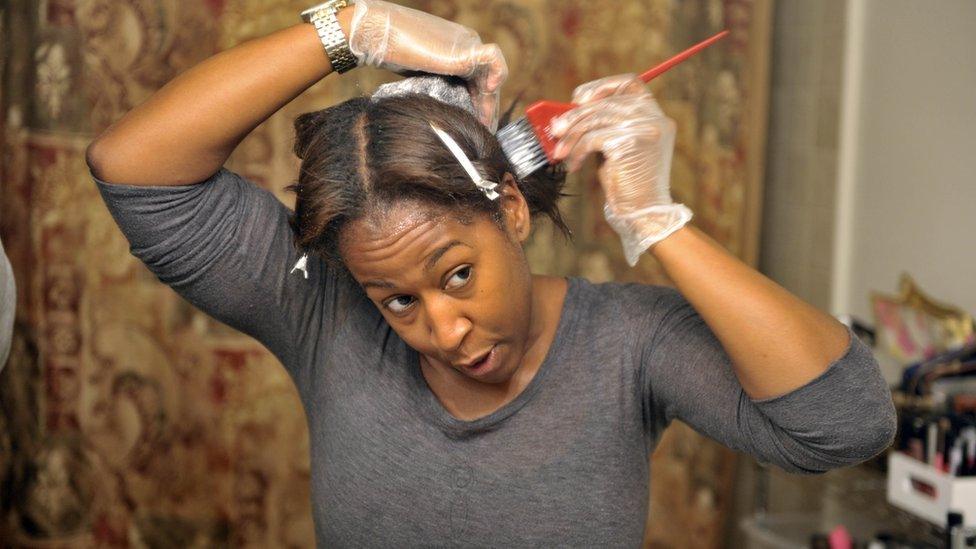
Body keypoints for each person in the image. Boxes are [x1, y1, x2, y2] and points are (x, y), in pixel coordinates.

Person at [85, 0, 896, 545]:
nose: (441, 329)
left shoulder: (629, 343)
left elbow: (847, 422)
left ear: (510, 208)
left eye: (458, 274)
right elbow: (133, 168)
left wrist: (659, 221)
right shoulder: (325, 314)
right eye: (399, 299)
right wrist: (350, 27)